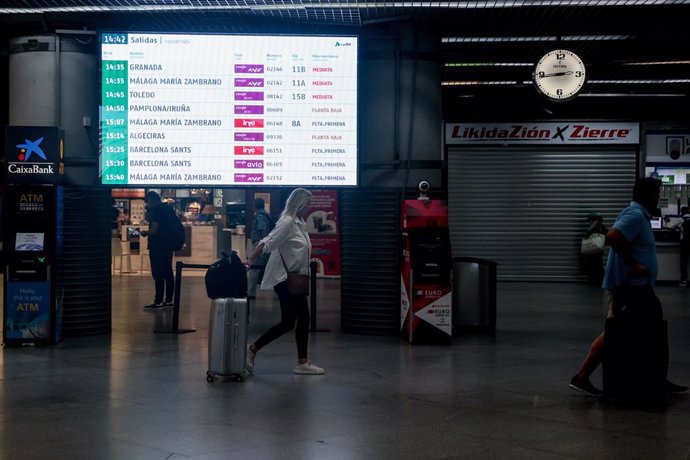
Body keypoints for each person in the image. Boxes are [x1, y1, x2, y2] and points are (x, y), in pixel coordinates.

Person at [569, 178, 687, 396]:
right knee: (617, 333)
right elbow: (613, 237)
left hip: (637, 288)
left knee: (648, 331)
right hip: (629, 288)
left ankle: (658, 379)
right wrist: (635, 264)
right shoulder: (634, 215)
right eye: (657, 194)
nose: (658, 198)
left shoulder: (638, 215)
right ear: (649, 195)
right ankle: (582, 376)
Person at [244, 188, 324, 375]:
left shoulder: (300, 223)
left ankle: (258, 350)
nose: (310, 207)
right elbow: (267, 241)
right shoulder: (287, 222)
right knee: (296, 319)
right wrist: (250, 260)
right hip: (285, 279)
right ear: (301, 203)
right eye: (309, 204)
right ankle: (298, 362)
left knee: (293, 321)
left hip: (296, 278)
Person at [140, 191, 178, 310]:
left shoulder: (158, 212)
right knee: (168, 272)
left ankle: (158, 301)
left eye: (148, 200)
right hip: (168, 246)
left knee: (158, 274)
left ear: (152, 200)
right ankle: (168, 300)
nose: (147, 203)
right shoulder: (168, 210)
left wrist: (145, 233)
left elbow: (154, 231)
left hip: (157, 247)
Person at [247, 197, 275, 298]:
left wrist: (263, 245)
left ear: (254, 206)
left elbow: (264, 231)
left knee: (254, 269)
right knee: (271, 268)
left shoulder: (261, 216)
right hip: (264, 245)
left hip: (260, 245)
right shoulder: (266, 215)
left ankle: (250, 293)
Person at [584, 212, 608, 285]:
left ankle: (598, 281)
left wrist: (599, 227)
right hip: (591, 250)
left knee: (598, 265)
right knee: (591, 265)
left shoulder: (601, 227)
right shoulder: (591, 228)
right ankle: (593, 280)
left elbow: (606, 236)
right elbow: (587, 235)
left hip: (597, 251)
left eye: (591, 220)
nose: (590, 222)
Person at [671, 206, 690, 287]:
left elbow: (672, 227)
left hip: (684, 243)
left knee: (683, 262)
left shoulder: (681, 219)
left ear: (681, 212)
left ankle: (684, 280)